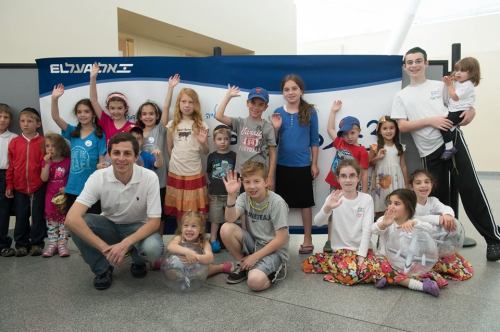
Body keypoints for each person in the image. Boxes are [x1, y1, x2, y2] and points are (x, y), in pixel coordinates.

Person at [391, 46, 500, 261]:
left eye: (418, 61)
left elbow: (462, 103)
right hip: (429, 152)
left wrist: (472, 112)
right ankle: (442, 248)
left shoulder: (440, 86)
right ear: (405, 67)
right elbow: (402, 126)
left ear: (426, 64)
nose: (414, 65)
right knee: (437, 200)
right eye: (410, 62)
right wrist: (431, 120)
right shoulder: (401, 96)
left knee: (470, 189)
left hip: (452, 142)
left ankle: (494, 240)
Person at [65, 133, 164, 290]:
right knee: (77, 224)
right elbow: (71, 218)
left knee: (153, 248)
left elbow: (154, 222)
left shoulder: (150, 177)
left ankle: (138, 261)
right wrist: (104, 248)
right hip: (109, 226)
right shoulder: (98, 177)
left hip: (138, 227)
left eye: (127, 153)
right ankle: (102, 269)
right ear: (109, 155)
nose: (121, 158)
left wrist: (126, 243)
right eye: (116, 153)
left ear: (136, 156)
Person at [303, 159, 379, 286]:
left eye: (352, 176)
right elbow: (318, 223)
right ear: (338, 179)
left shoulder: (367, 199)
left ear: (358, 177)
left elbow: (367, 230)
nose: (348, 180)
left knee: (355, 271)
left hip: (362, 250)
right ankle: (367, 275)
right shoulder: (333, 198)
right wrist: (328, 208)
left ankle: (344, 271)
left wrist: (361, 256)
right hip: (340, 252)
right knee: (307, 265)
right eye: (343, 176)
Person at [221, 161, 289, 291]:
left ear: (265, 182)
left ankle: (273, 271)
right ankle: (243, 265)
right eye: (247, 182)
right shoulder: (244, 197)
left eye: (256, 181)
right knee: (226, 228)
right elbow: (229, 218)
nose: (252, 186)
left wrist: (254, 257)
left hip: (275, 250)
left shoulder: (277, 203)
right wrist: (231, 195)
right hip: (255, 244)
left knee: (254, 282)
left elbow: (281, 239)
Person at [270, 74, 319, 255]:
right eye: (286, 89)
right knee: (280, 204)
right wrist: (275, 129)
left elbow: (314, 141)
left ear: (301, 91)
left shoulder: (310, 112)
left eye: (294, 88)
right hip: (281, 165)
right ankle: (280, 239)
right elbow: (272, 142)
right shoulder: (277, 112)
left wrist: (314, 164)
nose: (290, 92)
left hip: (302, 166)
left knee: (305, 203)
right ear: (282, 92)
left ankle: (308, 238)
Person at [372, 189, 446, 297]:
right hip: (387, 259)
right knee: (379, 266)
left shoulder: (414, 220)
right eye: (390, 203)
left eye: (397, 204)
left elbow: (430, 229)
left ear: (408, 206)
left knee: (422, 270)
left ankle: (388, 279)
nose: (391, 206)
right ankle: (421, 286)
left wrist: (414, 223)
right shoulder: (386, 219)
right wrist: (384, 224)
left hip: (408, 263)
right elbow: (373, 229)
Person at [51, 83, 106, 214]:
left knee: (91, 224)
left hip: (92, 189)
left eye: (86, 111)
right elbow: (56, 118)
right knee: (73, 223)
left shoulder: (99, 134)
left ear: (93, 114)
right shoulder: (73, 132)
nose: (82, 115)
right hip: (72, 188)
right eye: (79, 112)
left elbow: (101, 161)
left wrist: (102, 167)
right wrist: (54, 99)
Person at [410, 169, 473, 281]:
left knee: (451, 258)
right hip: (414, 243)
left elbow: (446, 208)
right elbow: (414, 219)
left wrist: (447, 215)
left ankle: (436, 260)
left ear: (432, 184)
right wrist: (437, 219)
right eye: (418, 183)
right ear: (412, 186)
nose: (423, 185)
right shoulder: (410, 203)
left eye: (427, 182)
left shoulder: (433, 201)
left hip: (432, 244)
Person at [135, 74, 179, 232]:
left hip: (159, 181)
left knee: (158, 215)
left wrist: (171, 88)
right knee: (141, 214)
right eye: (144, 114)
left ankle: (158, 242)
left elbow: (166, 107)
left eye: (151, 113)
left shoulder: (160, 129)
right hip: (139, 181)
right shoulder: (135, 132)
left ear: (157, 116)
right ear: (140, 116)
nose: (148, 116)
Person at [323, 102, 369, 253]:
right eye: (345, 133)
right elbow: (330, 129)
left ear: (359, 132)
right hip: (335, 183)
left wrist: (365, 191)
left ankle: (349, 241)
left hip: (351, 187)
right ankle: (329, 240)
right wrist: (333, 111)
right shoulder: (340, 142)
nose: (349, 137)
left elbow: (363, 171)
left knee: (348, 214)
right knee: (332, 212)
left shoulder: (362, 151)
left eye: (352, 133)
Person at [215, 85, 277, 189]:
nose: (256, 107)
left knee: (258, 203)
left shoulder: (268, 127)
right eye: (253, 103)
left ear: (265, 107)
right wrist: (228, 96)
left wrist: (270, 176)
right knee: (242, 204)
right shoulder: (240, 123)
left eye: (260, 104)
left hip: (259, 175)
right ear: (247, 103)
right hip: (241, 174)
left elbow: (273, 154)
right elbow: (218, 116)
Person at [165, 88, 209, 224]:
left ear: (196, 105)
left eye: (191, 102)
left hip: (194, 172)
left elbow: (206, 151)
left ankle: (196, 235)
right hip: (176, 172)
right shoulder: (172, 124)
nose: (187, 105)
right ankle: (180, 235)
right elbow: (169, 148)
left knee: (194, 210)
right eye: (183, 101)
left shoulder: (201, 125)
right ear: (178, 103)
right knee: (180, 210)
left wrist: (203, 143)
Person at [6, 108, 46, 257]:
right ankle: (21, 244)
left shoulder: (43, 142)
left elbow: (46, 164)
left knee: (37, 215)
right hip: (19, 186)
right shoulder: (14, 142)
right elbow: (11, 165)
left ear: (38, 124)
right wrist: (10, 185)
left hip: (38, 185)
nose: (26, 124)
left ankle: (37, 243)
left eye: (30, 121)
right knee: (21, 216)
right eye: (22, 121)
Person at [166, 211, 233, 282]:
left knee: (202, 274)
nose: (189, 229)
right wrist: (187, 252)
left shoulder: (203, 242)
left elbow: (210, 258)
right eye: (186, 225)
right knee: (170, 273)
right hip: (179, 265)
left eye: (193, 226)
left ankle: (220, 267)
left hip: (197, 267)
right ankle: (163, 264)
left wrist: (196, 257)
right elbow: (170, 246)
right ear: (181, 228)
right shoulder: (179, 238)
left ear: (201, 230)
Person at [440, 57, 481, 160]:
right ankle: (453, 128)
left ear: (472, 73)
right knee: (447, 126)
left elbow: (455, 97)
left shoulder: (467, 85)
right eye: (457, 70)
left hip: (459, 111)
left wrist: (449, 85)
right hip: (454, 110)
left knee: (443, 126)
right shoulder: (461, 82)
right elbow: (454, 80)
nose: (458, 73)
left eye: (462, 71)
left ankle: (449, 148)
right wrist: (451, 79)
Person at [369, 116, 409, 219]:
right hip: (382, 182)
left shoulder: (400, 147)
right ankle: (382, 228)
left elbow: (403, 166)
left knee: (398, 206)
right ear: (379, 131)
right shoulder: (375, 146)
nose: (388, 131)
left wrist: (406, 184)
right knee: (381, 208)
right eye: (385, 128)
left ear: (396, 129)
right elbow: (369, 163)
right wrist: (378, 157)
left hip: (396, 180)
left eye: (392, 128)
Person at [206, 125, 236, 253]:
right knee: (215, 219)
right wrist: (210, 187)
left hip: (230, 195)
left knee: (231, 220)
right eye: (219, 139)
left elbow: (236, 174)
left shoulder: (234, 156)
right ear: (214, 140)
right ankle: (213, 240)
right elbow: (208, 172)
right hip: (215, 195)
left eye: (226, 139)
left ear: (230, 140)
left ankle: (230, 240)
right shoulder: (211, 156)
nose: (223, 142)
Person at [40, 133, 71, 257]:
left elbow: (71, 178)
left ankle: (62, 244)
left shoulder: (68, 161)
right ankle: (52, 244)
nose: (50, 149)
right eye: (48, 146)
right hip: (50, 197)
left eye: (54, 146)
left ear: (61, 147)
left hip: (64, 197)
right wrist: (47, 164)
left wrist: (67, 188)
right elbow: (43, 178)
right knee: (52, 221)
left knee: (64, 222)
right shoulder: (46, 162)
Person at [90, 62, 134, 142]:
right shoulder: (105, 121)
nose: (116, 111)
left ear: (126, 108)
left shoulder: (132, 127)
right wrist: (93, 78)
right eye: (112, 108)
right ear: (108, 108)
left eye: (120, 108)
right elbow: (93, 100)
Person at [0, 104, 18, 257]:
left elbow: (14, 162)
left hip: (5, 176)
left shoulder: (14, 138)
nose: (2, 120)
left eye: (6, 117)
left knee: (3, 211)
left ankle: (2, 244)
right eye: (0, 116)